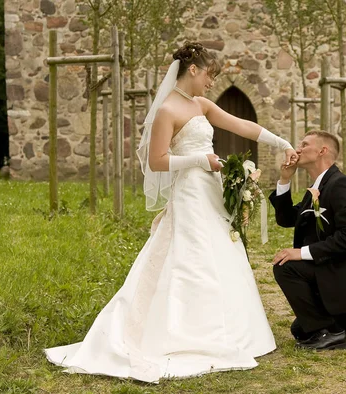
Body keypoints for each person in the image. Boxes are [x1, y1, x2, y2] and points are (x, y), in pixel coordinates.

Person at [45, 42, 298, 383]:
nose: (212, 82)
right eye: (210, 75)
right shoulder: (167, 111)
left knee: (223, 250)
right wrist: (199, 160)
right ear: (193, 70)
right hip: (190, 191)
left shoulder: (202, 104)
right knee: (191, 257)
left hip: (210, 190)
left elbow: (242, 126)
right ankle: (184, 331)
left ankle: (235, 332)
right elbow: (156, 161)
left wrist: (282, 142)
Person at [269, 131, 346, 351]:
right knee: (299, 330)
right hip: (332, 265)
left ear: (322, 151)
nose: (297, 149)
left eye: (304, 144)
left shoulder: (341, 185)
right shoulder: (318, 188)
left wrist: (301, 252)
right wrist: (284, 179)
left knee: (287, 266)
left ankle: (331, 332)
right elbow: (287, 218)